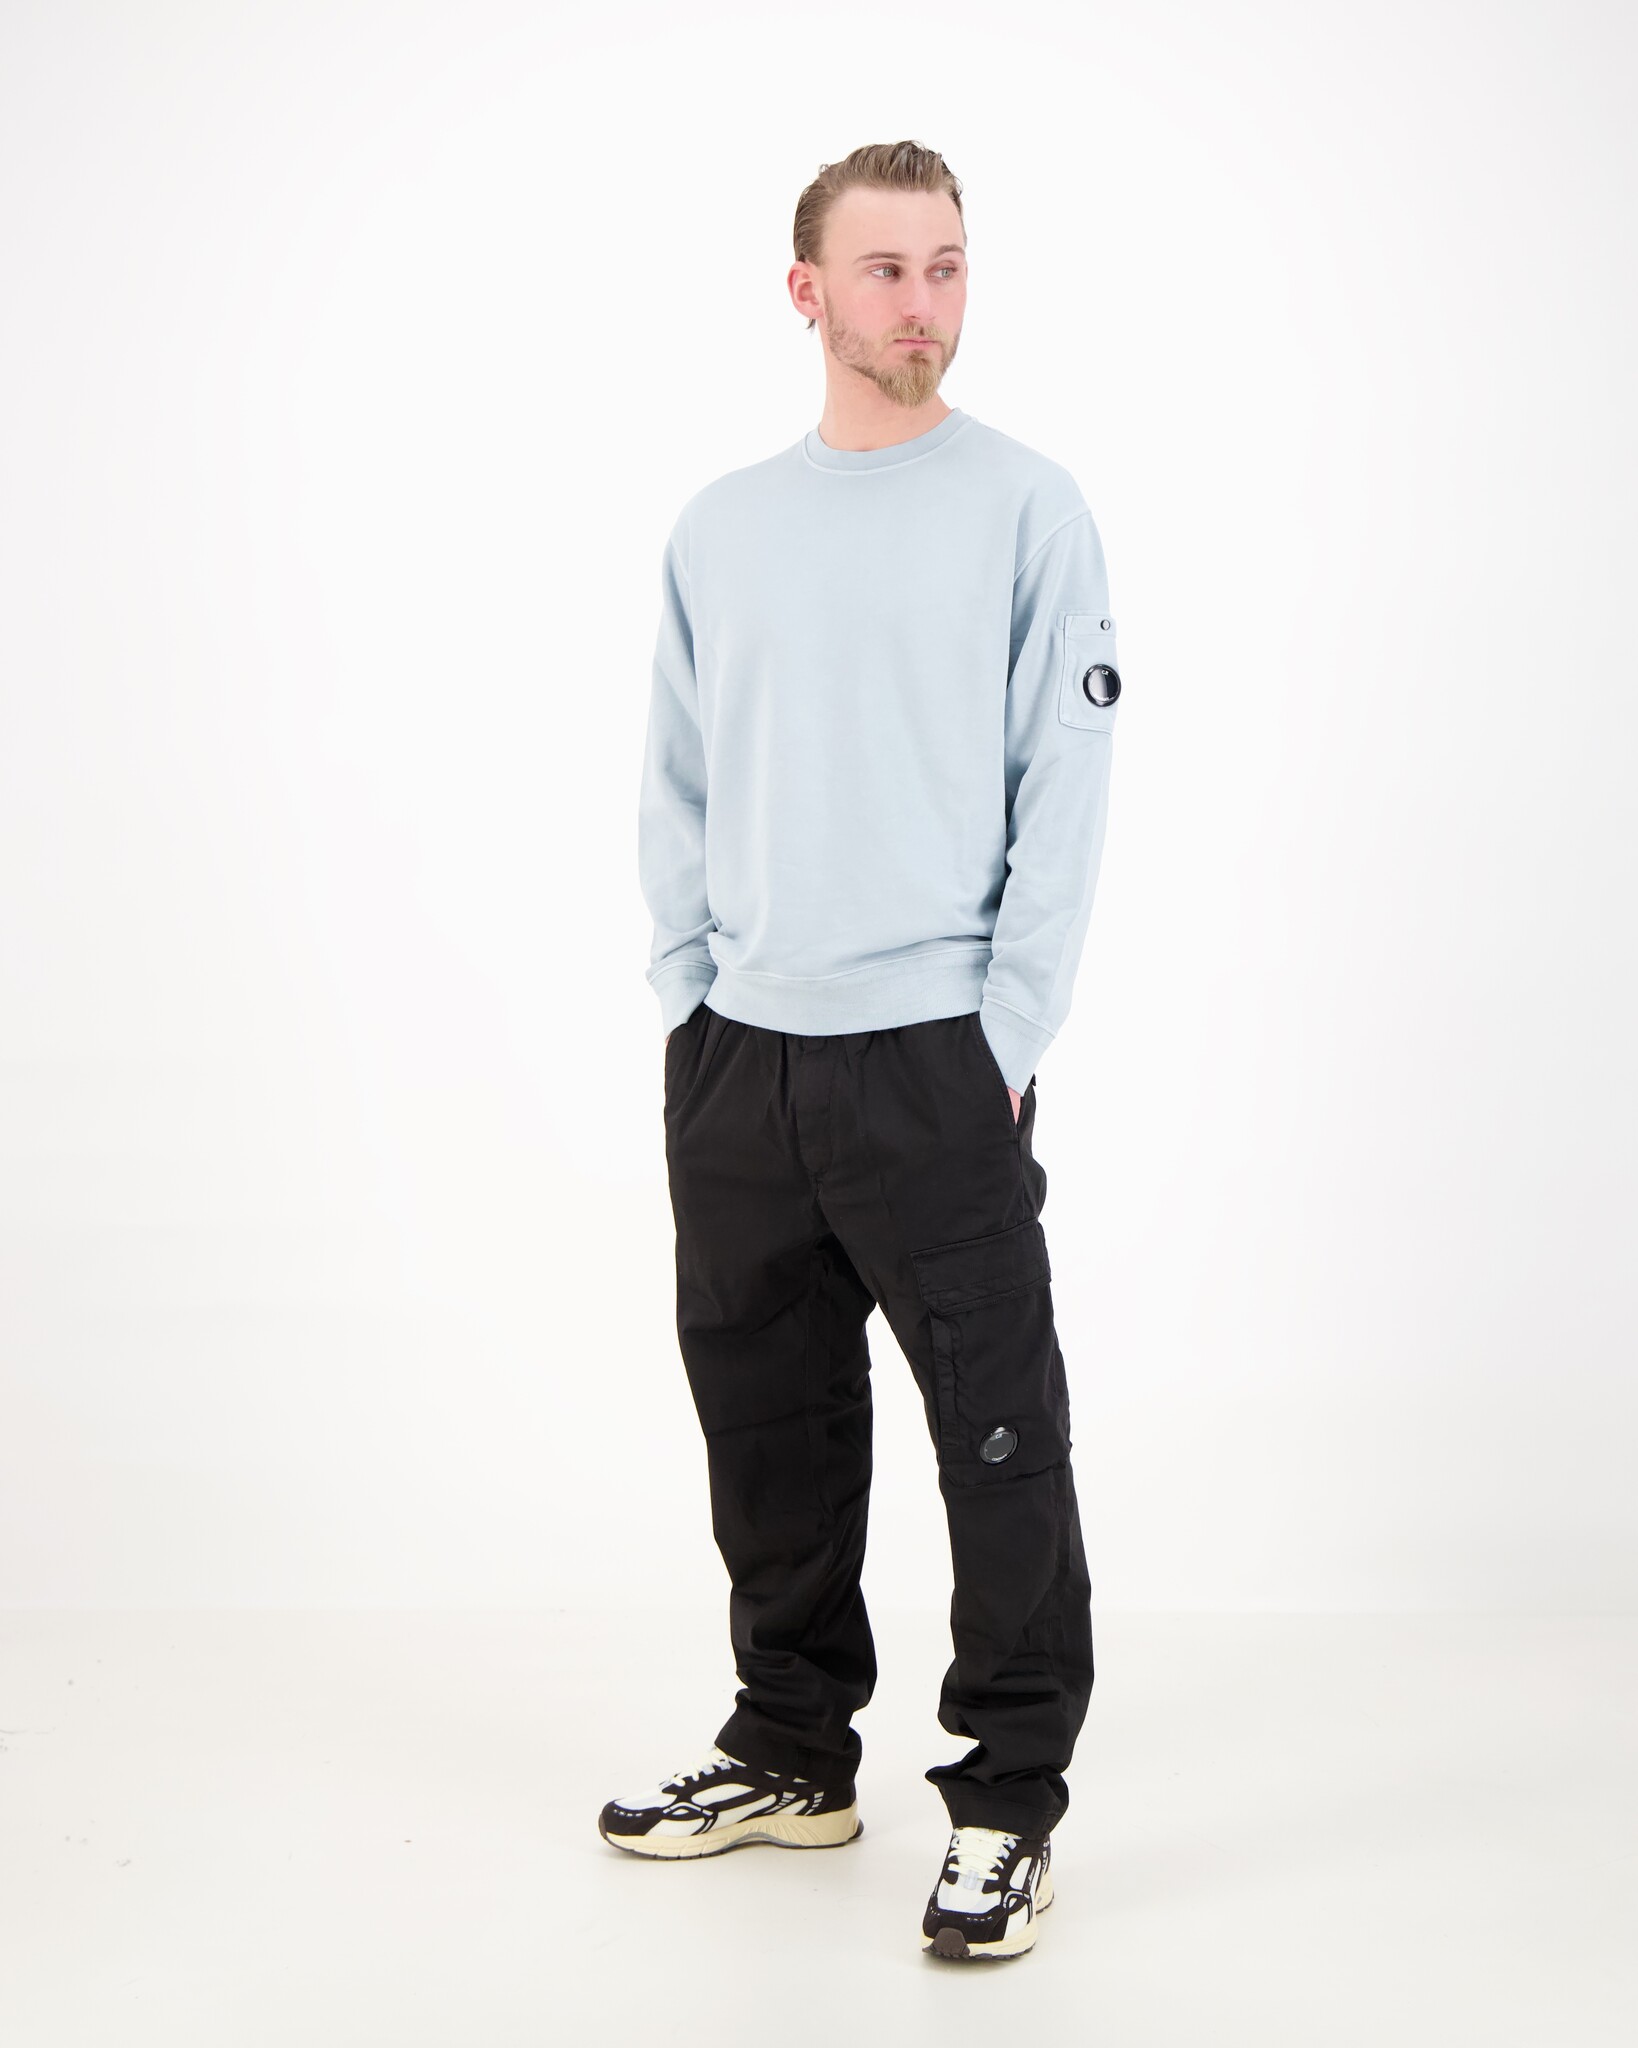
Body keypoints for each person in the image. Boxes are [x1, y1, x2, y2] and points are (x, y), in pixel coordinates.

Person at [604, 138, 1122, 1963]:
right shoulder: (721, 525)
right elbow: (676, 775)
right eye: (888, 270)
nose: (924, 303)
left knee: (997, 1436)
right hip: (739, 1054)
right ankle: (790, 1749)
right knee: (767, 1423)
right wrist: (689, 993)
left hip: (933, 1057)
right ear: (807, 290)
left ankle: (1006, 1804)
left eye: (948, 266)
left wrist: (1006, 1032)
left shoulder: (1027, 508)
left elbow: (1065, 786)